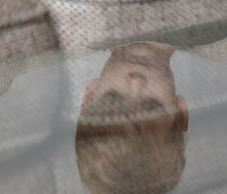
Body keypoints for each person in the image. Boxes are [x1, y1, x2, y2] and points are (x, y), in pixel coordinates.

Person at [74, 41, 189, 194]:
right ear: (180, 113)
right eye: (152, 105)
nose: (136, 81)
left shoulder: (82, 27)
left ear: (89, 96)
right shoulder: (212, 25)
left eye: (114, 98)